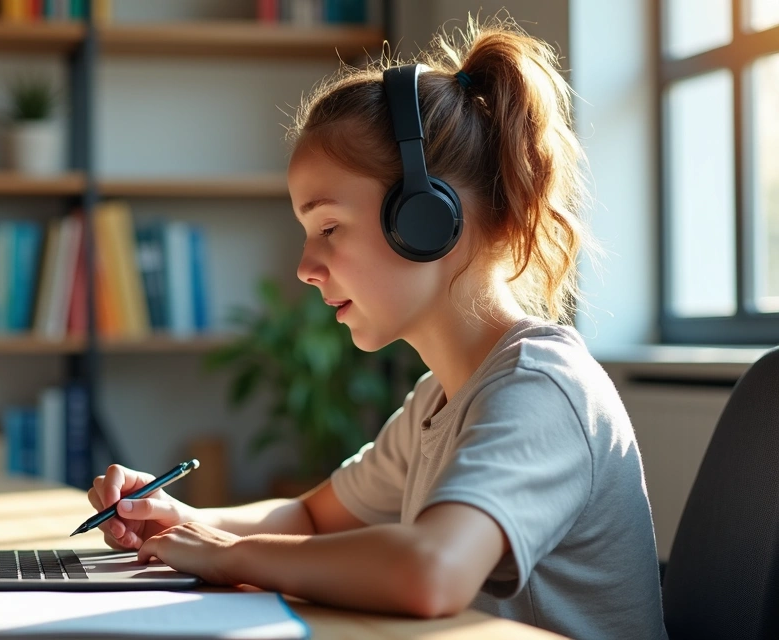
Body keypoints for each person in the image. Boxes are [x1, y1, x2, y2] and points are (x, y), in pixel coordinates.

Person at [85, 16, 668, 640]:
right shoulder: (435, 402)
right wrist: (179, 520)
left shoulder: (542, 387)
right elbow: (311, 518)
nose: (305, 268)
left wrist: (231, 556)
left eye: (329, 228)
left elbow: (432, 572)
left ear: (426, 220)